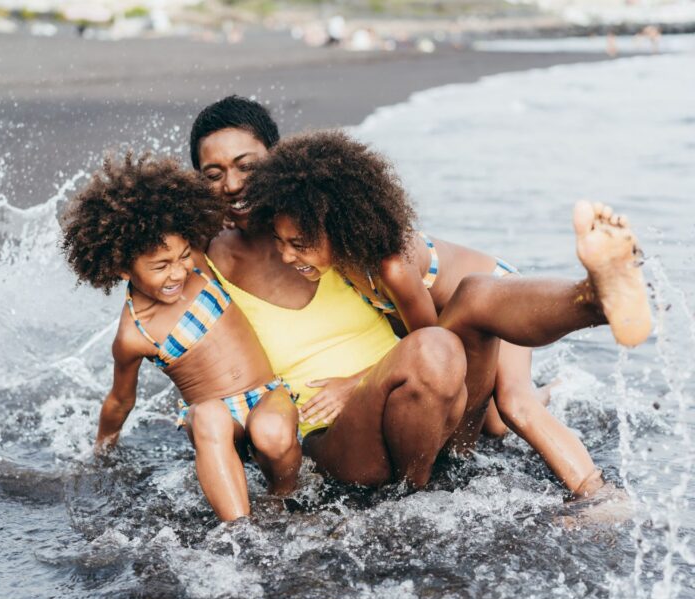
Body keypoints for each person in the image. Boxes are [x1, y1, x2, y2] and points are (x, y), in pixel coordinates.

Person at [190, 97, 649, 495]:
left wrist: (359, 380)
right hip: (367, 420)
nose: (232, 185)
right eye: (213, 174)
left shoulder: (337, 231)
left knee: (482, 326)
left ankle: (594, 301)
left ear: (278, 160)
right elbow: (169, 311)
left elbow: (423, 322)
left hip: (452, 364)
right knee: (494, 404)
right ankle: (586, 314)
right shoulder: (208, 258)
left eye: (246, 166)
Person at [61, 152, 300, 521]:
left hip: (267, 396)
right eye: (160, 266)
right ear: (122, 266)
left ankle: (285, 500)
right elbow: (119, 401)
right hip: (221, 423)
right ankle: (241, 531)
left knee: (270, 431)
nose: (176, 273)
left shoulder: (200, 266)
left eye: (183, 256)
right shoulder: (134, 334)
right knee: (206, 415)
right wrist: (102, 449)